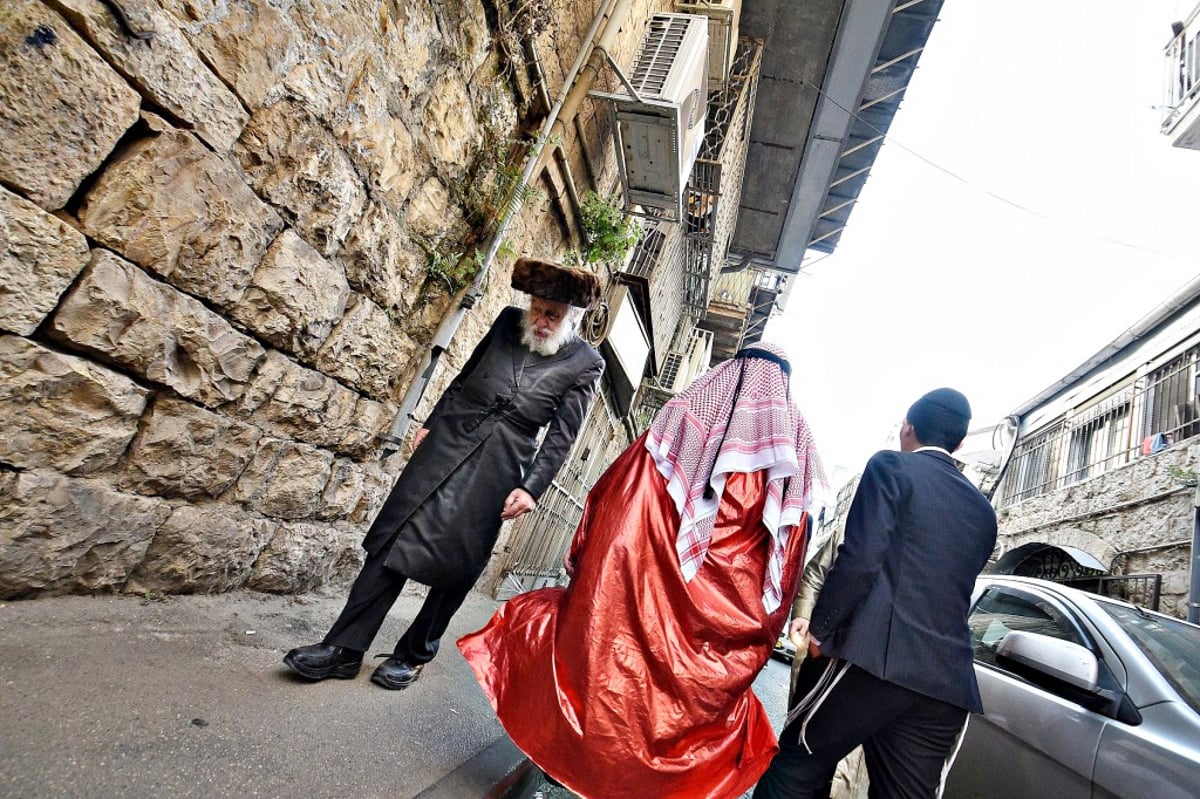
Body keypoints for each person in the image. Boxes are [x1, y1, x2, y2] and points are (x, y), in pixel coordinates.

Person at [458, 343, 824, 799]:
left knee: (598, 679)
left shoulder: (678, 433)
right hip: (710, 637)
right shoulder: (787, 479)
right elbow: (782, 577)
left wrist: (589, 556)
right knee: (665, 715)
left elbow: (615, 496)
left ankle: (568, 763)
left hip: (633, 596)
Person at [283, 257, 604, 690]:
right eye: (538, 309)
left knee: (459, 562)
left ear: (572, 318)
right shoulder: (509, 322)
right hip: (450, 437)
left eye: (553, 314)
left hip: (502, 461)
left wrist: (532, 488)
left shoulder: (586, 362)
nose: (541, 321)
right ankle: (344, 648)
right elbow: (466, 374)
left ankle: (413, 654)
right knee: (392, 538)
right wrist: (432, 421)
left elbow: (562, 435)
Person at [753, 388, 998, 799]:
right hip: (945, 686)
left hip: (870, 663)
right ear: (957, 443)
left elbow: (861, 558)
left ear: (908, 426)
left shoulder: (892, 467)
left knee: (797, 769)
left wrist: (821, 631)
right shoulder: (983, 511)